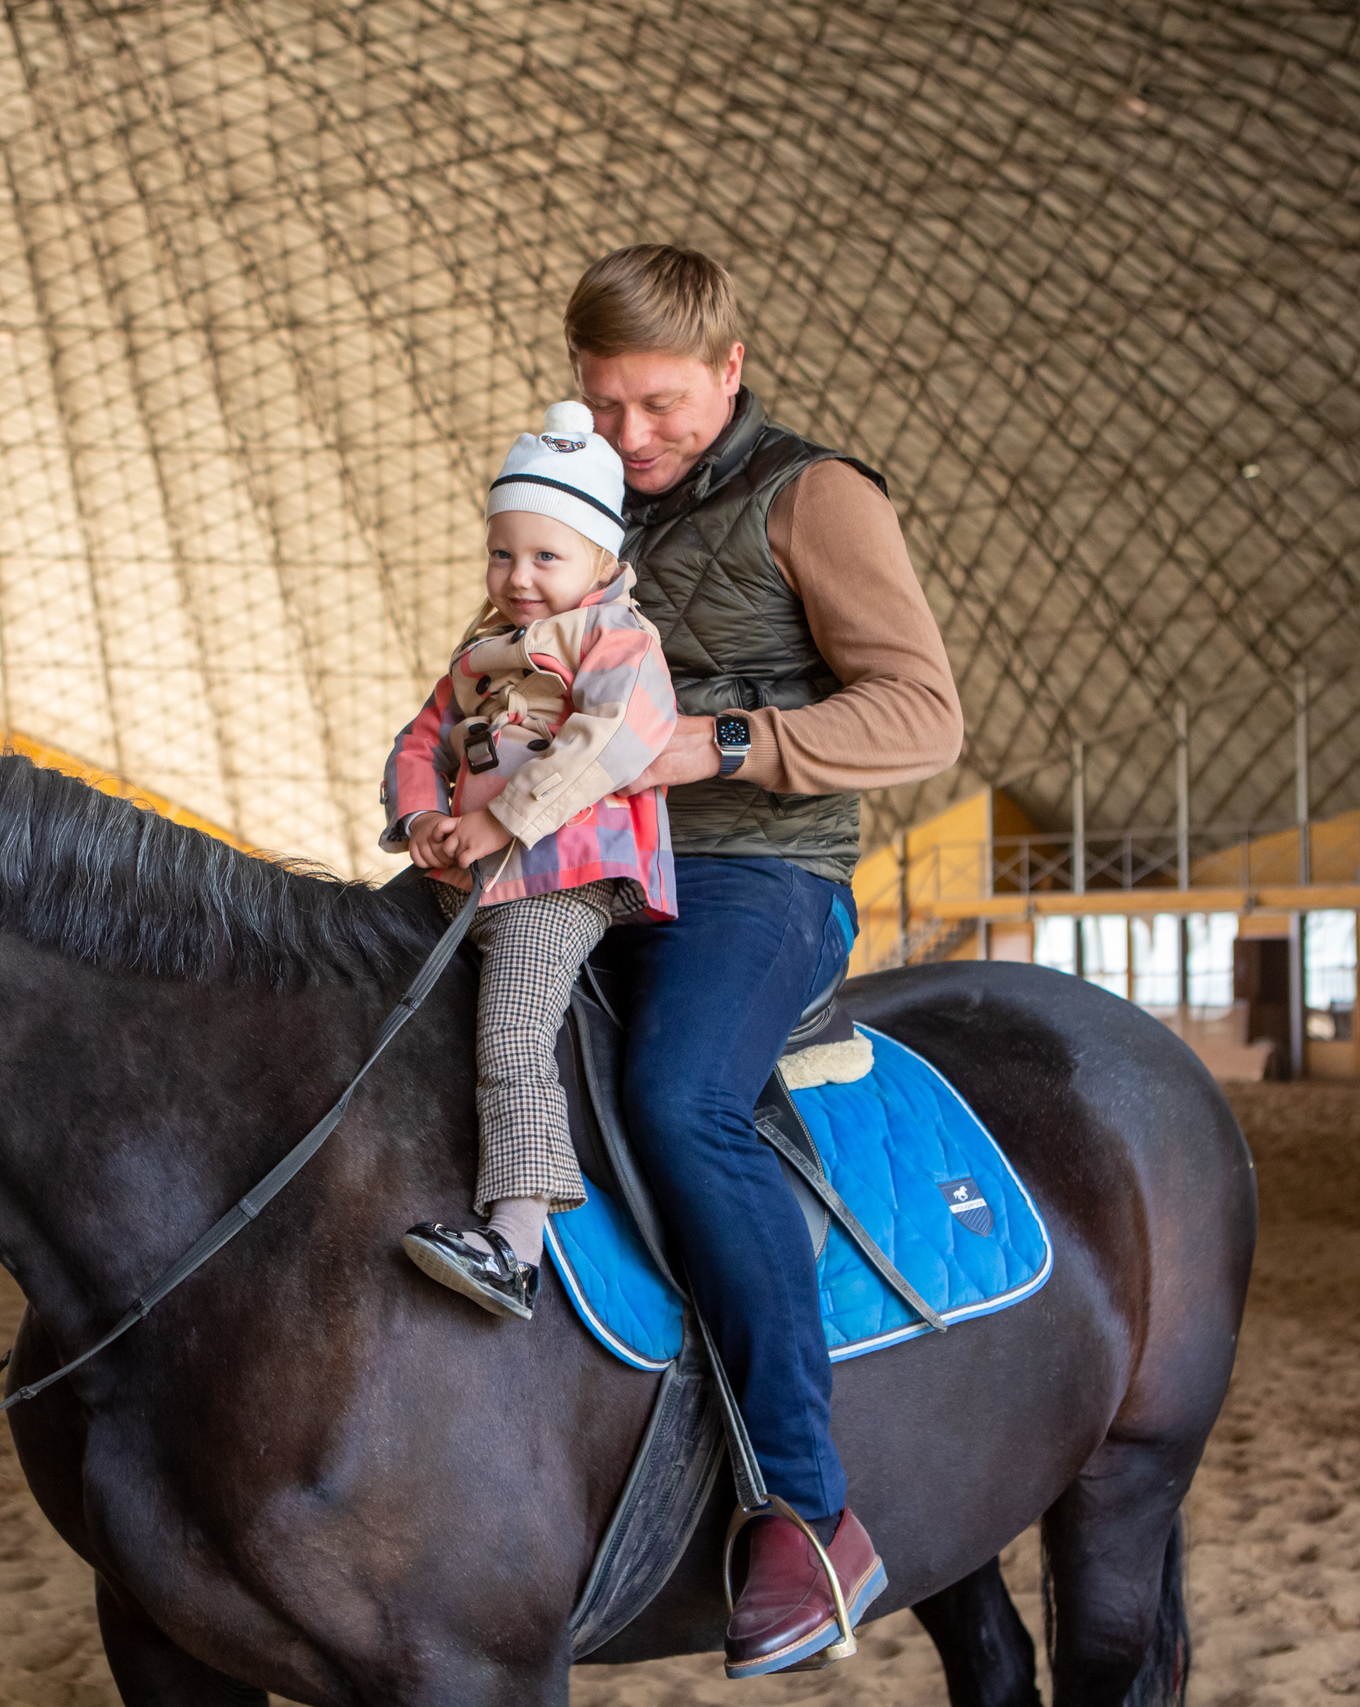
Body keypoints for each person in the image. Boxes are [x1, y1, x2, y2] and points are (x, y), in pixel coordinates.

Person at [569, 246, 964, 1678]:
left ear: (729, 372)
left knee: (679, 1096)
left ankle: (806, 1500)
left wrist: (720, 744)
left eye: (660, 406)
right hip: (595, 864)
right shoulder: (593, 497)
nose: (631, 437)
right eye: (604, 406)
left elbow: (922, 714)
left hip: (760, 876)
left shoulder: (818, 495)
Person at [380, 402, 679, 1322]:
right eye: (502, 554)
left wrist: (504, 818)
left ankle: (515, 1241)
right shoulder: (481, 656)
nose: (519, 577)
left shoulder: (618, 640)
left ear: (600, 560)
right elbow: (419, 740)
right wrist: (423, 814)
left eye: (546, 557)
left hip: (562, 877)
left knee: (512, 1025)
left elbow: (616, 737)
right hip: (465, 873)